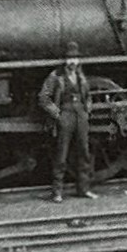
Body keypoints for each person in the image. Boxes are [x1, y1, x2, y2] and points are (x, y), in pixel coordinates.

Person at [38, 42, 98, 201]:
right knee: (61, 155)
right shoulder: (56, 75)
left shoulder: (81, 75)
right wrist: (57, 114)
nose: (73, 61)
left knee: (84, 152)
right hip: (65, 114)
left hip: (81, 114)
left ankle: (84, 189)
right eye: (70, 58)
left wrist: (87, 109)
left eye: (75, 58)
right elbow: (43, 97)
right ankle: (57, 192)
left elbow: (88, 95)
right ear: (65, 60)